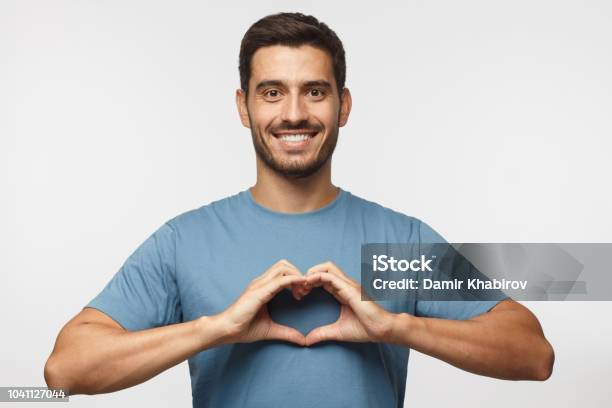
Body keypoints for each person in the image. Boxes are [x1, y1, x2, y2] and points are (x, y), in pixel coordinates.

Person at [44, 12, 554, 408]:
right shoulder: (185, 239)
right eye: (272, 93)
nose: (293, 113)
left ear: (344, 106)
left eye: (314, 92)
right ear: (243, 107)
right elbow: (66, 370)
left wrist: (394, 326)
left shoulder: (399, 242)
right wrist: (218, 327)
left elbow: (533, 354)